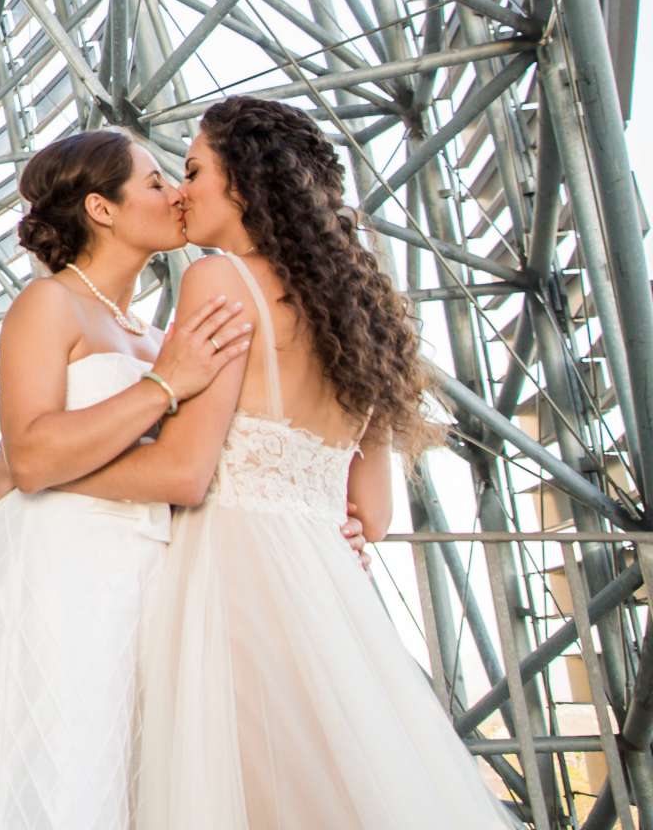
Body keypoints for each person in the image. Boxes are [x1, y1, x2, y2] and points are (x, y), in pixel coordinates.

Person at [46, 97, 511, 827]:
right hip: (324, 582)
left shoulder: (220, 280)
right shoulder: (360, 311)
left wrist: (46, 473)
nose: (181, 190)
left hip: (226, 578)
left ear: (243, 182)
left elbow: (183, 472)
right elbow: (375, 515)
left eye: (195, 170)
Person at [0, 131, 253, 830]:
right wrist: (163, 386)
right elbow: (33, 450)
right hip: (58, 572)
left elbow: (180, 464)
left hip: (146, 570)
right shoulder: (50, 306)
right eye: (156, 182)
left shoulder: (161, 336)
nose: (176, 194)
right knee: (56, 765)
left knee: (128, 770)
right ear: (102, 208)